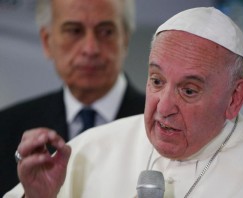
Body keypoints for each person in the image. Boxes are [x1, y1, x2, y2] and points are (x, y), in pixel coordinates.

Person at [5, 7, 243, 198]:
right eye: (157, 81)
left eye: (189, 90)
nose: (163, 106)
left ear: (235, 98)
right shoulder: (90, 150)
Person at [0, 0, 145, 196]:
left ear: (125, 39)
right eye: (74, 31)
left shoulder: (161, 125)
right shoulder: (6, 128)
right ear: (46, 41)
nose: (90, 49)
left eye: (106, 31)